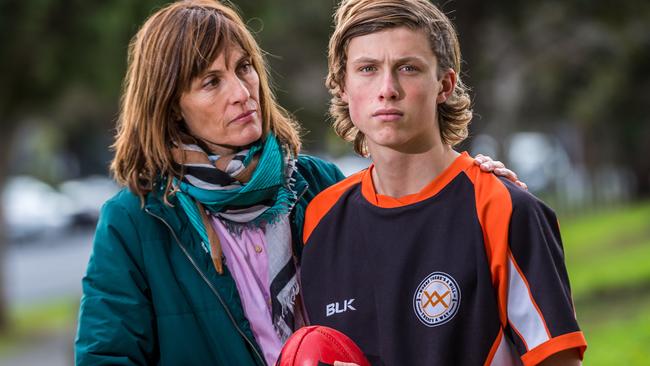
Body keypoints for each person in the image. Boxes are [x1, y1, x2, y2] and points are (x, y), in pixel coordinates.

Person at [74, 1, 521, 365]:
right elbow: (107, 358)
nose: (241, 92)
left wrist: (468, 180)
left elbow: (403, 266)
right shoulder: (136, 221)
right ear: (172, 107)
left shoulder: (317, 184)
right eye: (211, 81)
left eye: (244, 67)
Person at [301, 0, 587, 365]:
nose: (387, 88)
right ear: (342, 86)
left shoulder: (502, 209)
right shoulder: (320, 219)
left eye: (408, 68)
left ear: (444, 84)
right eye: (368, 69)